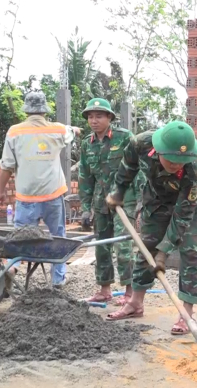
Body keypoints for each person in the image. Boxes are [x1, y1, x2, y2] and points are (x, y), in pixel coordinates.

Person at [104, 120, 197, 335]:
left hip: (190, 207)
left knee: (190, 250)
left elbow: (183, 215)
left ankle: (186, 312)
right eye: (171, 161)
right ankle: (135, 303)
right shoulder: (140, 143)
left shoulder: (193, 170)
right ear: (158, 150)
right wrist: (118, 192)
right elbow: (127, 167)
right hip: (156, 198)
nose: (176, 165)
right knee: (146, 246)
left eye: (181, 162)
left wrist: (164, 253)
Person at [0, 91, 81, 288]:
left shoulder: (15, 132)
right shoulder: (58, 130)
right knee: (58, 237)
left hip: (26, 197)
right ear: (45, 110)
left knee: (20, 239)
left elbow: (7, 165)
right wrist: (75, 129)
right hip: (52, 195)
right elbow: (72, 131)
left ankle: (12, 267)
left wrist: (0, 192)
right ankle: (58, 280)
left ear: (26, 110)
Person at [78, 98, 145, 305]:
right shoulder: (86, 145)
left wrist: (143, 200)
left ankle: (129, 292)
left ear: (109, 117)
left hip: (125, 200)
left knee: (123, 245)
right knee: (101, 246)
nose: (94, 120)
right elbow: (85, 178)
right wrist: (86, 208)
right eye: (90, 116)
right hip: (101, 202)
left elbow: (140, 166)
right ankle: (104, 289)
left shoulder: (124, 138)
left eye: (99, 116)